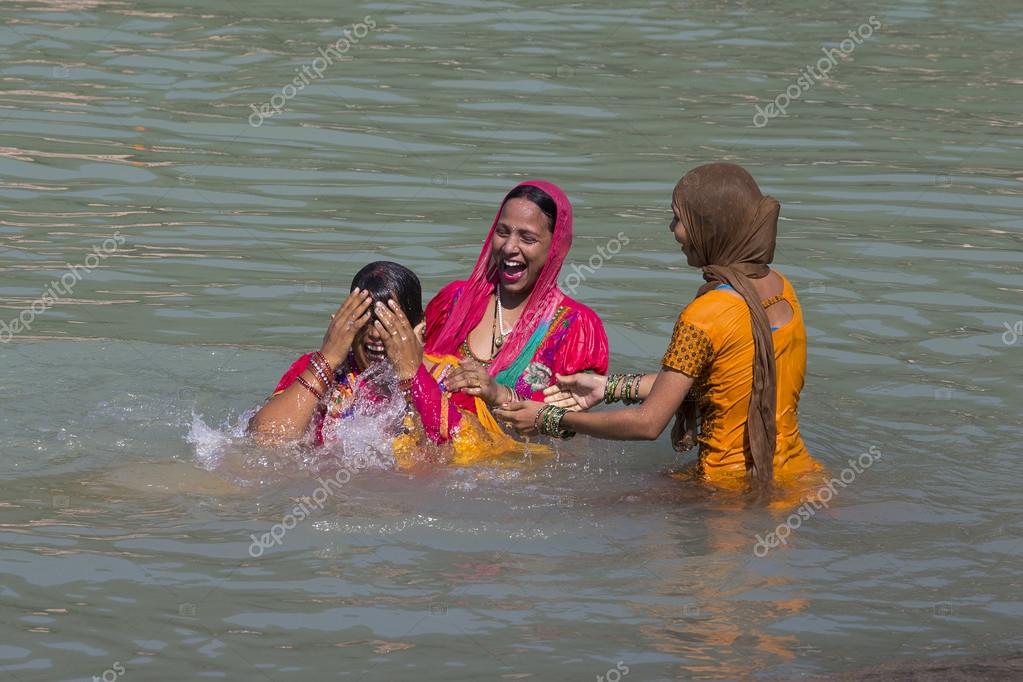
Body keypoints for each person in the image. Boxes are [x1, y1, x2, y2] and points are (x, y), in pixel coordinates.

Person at [496, 163, 819, 490]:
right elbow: (726, 380)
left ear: (709, 227)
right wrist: (607, 386)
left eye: (680, 218)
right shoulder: (782, 289)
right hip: (796, 473)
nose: (673, 229)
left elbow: (649, 423)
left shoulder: (705, 314)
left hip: (727, 493)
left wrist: (547, 418)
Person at [248, 261, 535, 467]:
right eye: (365, 321)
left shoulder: (454, 379)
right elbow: (266, 442)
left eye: (388, 322)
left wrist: (411, 375)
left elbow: (473, 457)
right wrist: (328, 359)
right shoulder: (321, 371)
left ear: (419, 327)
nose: (375, 334)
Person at [427, 180, 609, 414]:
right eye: (502, 232)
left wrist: (499, 395)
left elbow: (570, 436)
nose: (509, 247)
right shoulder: (454, 302)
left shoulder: (576, 328)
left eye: (527, 238)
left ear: (556, 247)